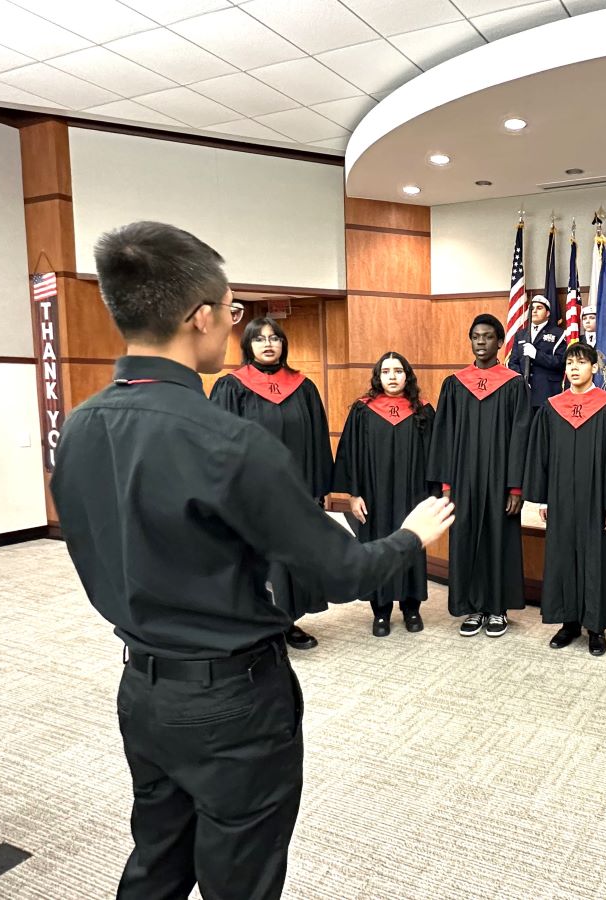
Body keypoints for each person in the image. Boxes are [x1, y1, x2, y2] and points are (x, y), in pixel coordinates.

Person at [50, 221, 454, 900]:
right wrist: (410, 536)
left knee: (157, 863)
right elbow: (343, 570)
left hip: (142, 690)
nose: (238, 327)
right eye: (235, 311)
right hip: (233, 705)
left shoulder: (80, 426)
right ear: (201, 316)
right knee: (242, 880)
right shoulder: (226, 440)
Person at [209, 316, 332, 651]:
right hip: (251, 493)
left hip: (296, 492)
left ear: (283, 344)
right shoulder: (231, 387)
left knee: (289, 559)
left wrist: (319, 490)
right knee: (254, 559)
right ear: (248, 345)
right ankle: (256, 626)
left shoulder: (303, 387)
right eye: (260, 338)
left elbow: (318, 440)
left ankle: (287, 622)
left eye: (275, 338)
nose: (268, 344)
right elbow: (217, 442)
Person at [524, 342, 606, 656]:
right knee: (563, 556)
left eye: (581, 362)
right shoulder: (553, 407)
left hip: (597, 500)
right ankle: (569, 622)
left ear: (594, 368)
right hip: (561, 497)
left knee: (596, 559)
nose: (574, 368)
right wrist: (544, 498)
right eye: (570, 363)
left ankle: (597, 627)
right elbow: (542, 457)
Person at [427, 314, 531, 638]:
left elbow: (520, 437)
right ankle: (472, 606)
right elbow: (443, 436)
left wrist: (516, 486)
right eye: (475, 336)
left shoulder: (514, 384)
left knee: (499, 538)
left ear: (500, 342)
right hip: (464, 478)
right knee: (466, 537)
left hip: (501, 479)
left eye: (488, 336)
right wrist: (446, 485)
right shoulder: (455, 385)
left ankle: (497, 607)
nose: (481, 342)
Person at [333, 352, 435, 637]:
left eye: (398, 371)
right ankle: (381, 611)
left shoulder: (423, 410)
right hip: (374, 496)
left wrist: (433, 495)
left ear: (407, 375)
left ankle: (411, 607)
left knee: (412, 542)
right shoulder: (363, 410)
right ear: (378, 376)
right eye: (386, 371)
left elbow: (436, 456)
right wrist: (354, 494)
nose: (392, 376)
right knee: (378, 545)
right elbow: (350, 454)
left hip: (413, 495)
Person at [507, 295, 565, 410]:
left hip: (547, 391)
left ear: (547, 313)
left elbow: (560, 362)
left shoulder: (558, 334)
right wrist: (521, 381)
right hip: (523, 392)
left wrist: (536, 355)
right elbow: (513, 362)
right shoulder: (521, 334)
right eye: (532, 308)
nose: (534, 311)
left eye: (539, 308)